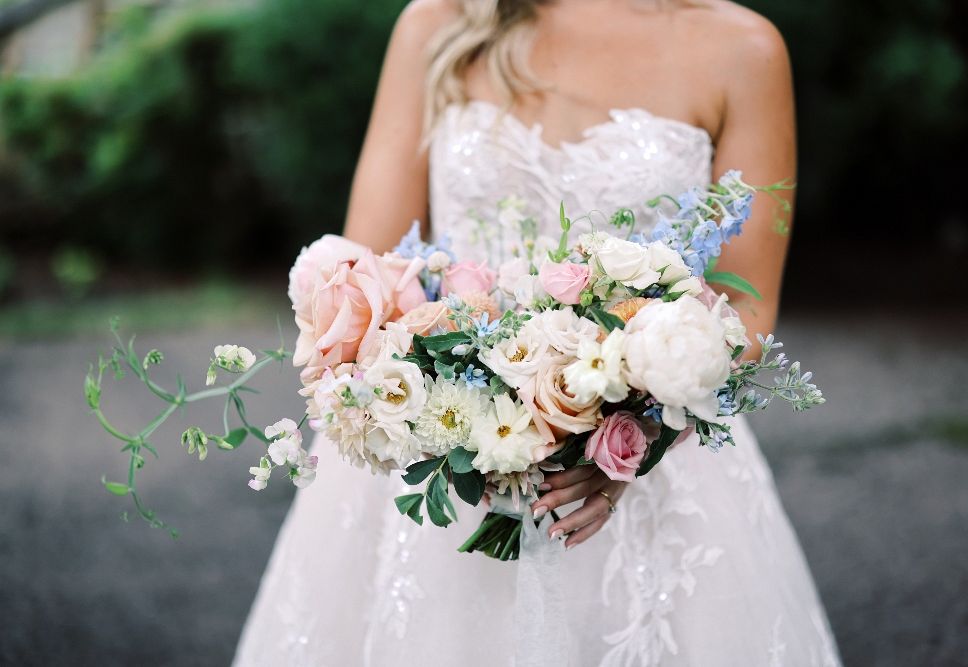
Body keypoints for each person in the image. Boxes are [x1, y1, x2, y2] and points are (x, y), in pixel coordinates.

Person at [234, 1, 841, 664]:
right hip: (441, 447)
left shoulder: (743, 49)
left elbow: (745, 311)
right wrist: (434, 394)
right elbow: (368, 268)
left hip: (650, 457)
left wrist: (630, 437)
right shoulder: (442, 22)